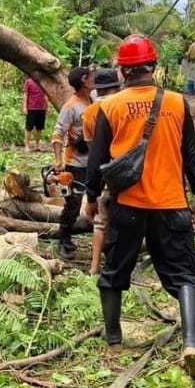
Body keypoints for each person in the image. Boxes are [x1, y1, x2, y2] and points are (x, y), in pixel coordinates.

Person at [85, 35, 195, 377]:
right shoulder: (176, 102)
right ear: (154, 67)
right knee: (185, 274)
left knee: (114, 272)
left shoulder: (107, 107)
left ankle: (114, 340)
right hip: (171, 205)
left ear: (123, 71)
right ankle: (191, 343)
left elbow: (96, 161)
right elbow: (191, 155)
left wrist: (91, 199)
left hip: (127, 205)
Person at [82, 68, 121, 275]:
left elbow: (93, 153)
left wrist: (91, 193)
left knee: (100, 223)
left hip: (105, 174)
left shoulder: (89, 113)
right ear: (117, 86)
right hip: (129, 171)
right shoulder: (124, 106)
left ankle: (95, 266)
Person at [52, 66, 93, 260]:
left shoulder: (93, 99)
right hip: (75, 162)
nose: (94, 78)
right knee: (73, 203)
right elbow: (58, 133)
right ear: (84, 81)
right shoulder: (70, 106)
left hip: (94, 160)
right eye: (90, 76)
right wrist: (58, 160)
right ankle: (63, 238)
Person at [22, 77, 48, 152]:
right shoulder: (28, 81)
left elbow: (45, 95)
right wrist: (24, 107)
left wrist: (47, 106)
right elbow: (25, 95)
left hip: (41, 108)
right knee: (29, 128)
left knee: (39, 128)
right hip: (31, 108)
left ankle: (37, 145)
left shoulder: (42, 82)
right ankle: (27, 145)